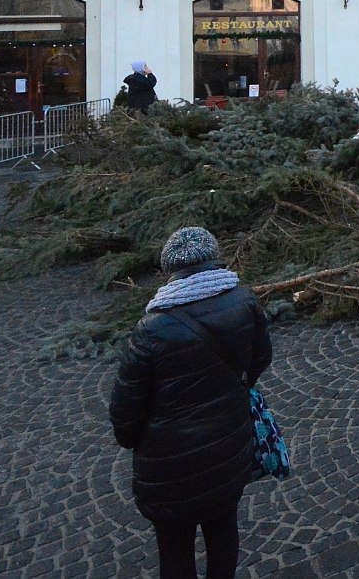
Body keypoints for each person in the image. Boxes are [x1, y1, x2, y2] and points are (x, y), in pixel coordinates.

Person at [110, 227, 273, 579]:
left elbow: (125, 412)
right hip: (229, 447)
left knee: (174, 547)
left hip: (170, 466)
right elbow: (261, 358)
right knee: (223, 528)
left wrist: (137, 437)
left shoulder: (151, 328)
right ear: (213, 258)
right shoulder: (244, 302)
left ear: (170, 270)